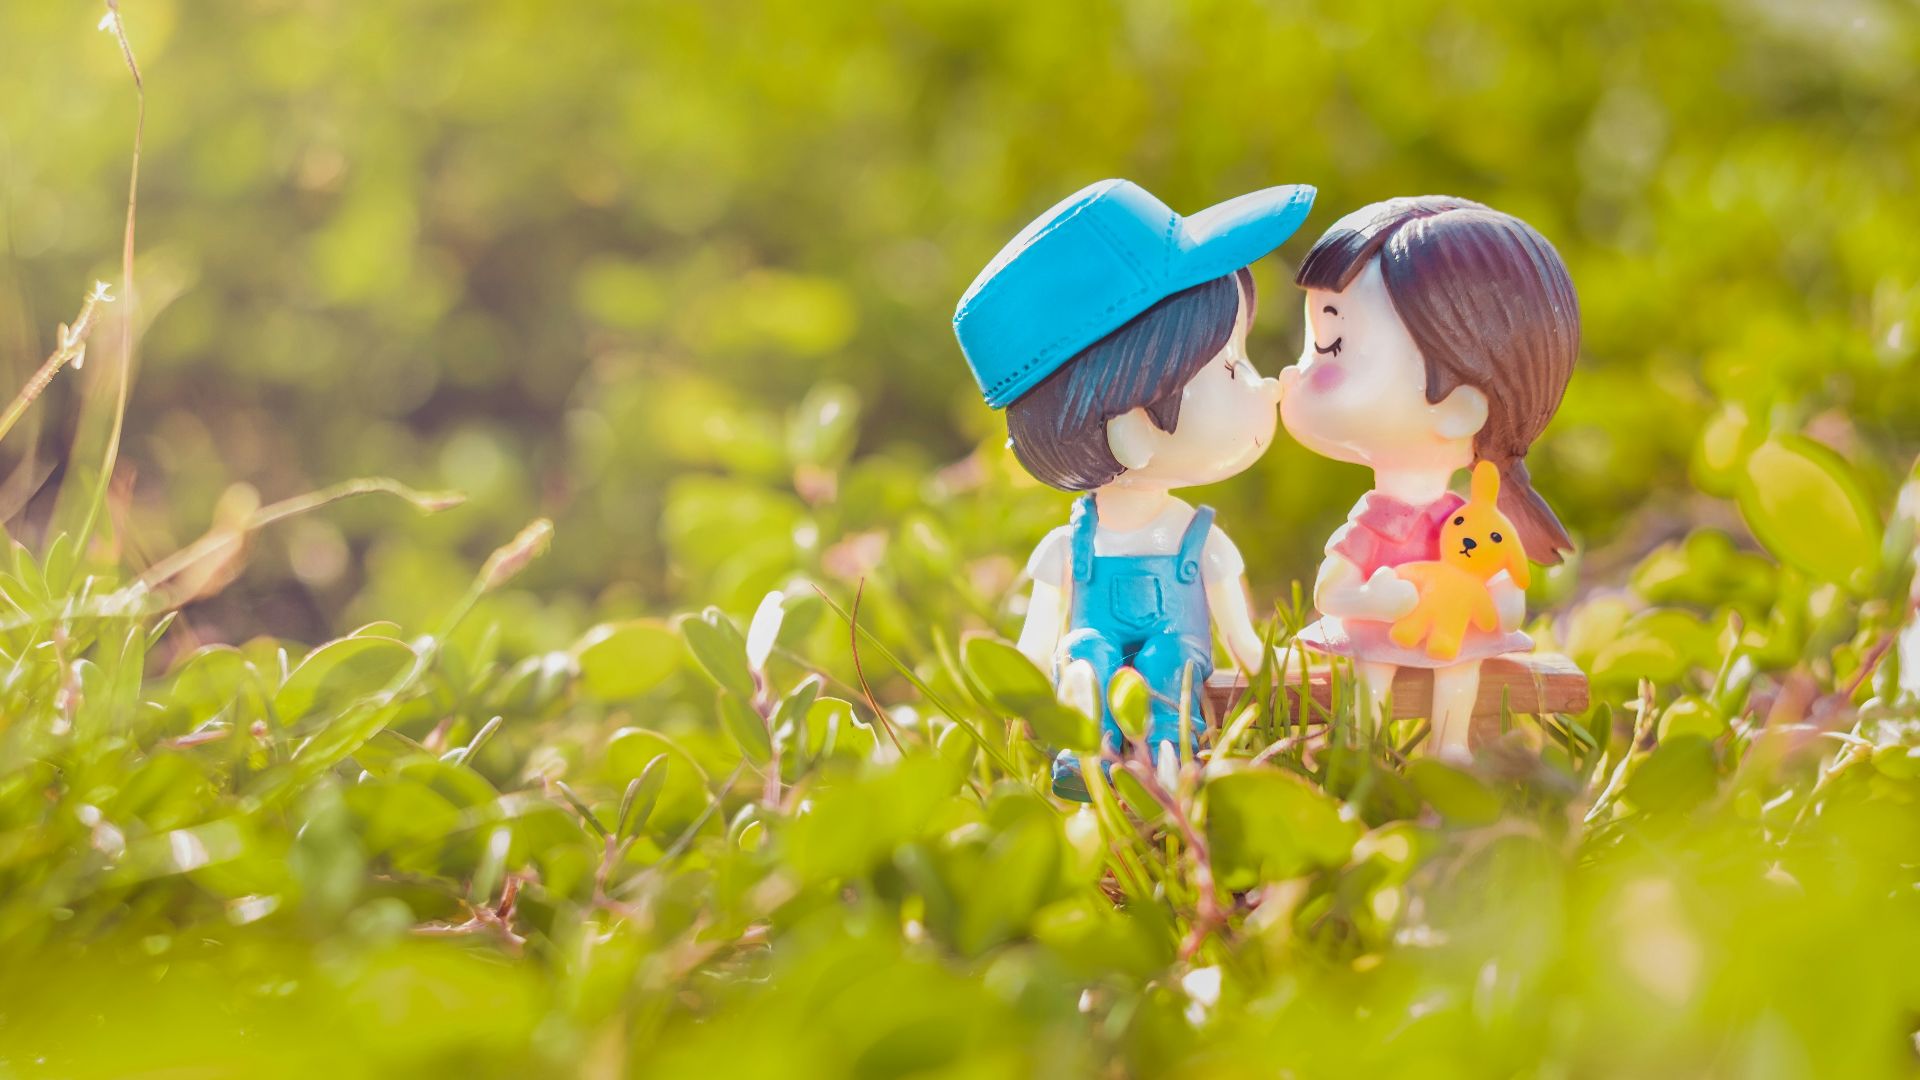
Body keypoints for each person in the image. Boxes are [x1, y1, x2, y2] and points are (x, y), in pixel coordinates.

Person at [954, 179, 1315, 798]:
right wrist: (1030, 676)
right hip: (1091, 650)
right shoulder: (1068, 545)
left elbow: (1243, 640)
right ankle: (1082, 754)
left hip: (1178, 650)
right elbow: (1038, 641)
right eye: (1231, 366)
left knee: (1168, 664)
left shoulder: (1200, 539)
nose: (1269, 386)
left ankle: (1174, 752)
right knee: (1084, 654)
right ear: (1130, 426)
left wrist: (1272, 673)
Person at [1279, 195, 1578, 755]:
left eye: (1331, 346)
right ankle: (1360, 749)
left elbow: (1504, 586)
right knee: (1369, 678)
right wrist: (1373, 599)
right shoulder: (1378, 522)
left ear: (1460, 407)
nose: (1293, 373)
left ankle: (1451, 752)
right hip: (1378, 634)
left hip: (1452, 634)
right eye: (1314, 343)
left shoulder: (1467, 522)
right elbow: (1331, 592)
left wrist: (1498, 605)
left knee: (1458, 675)